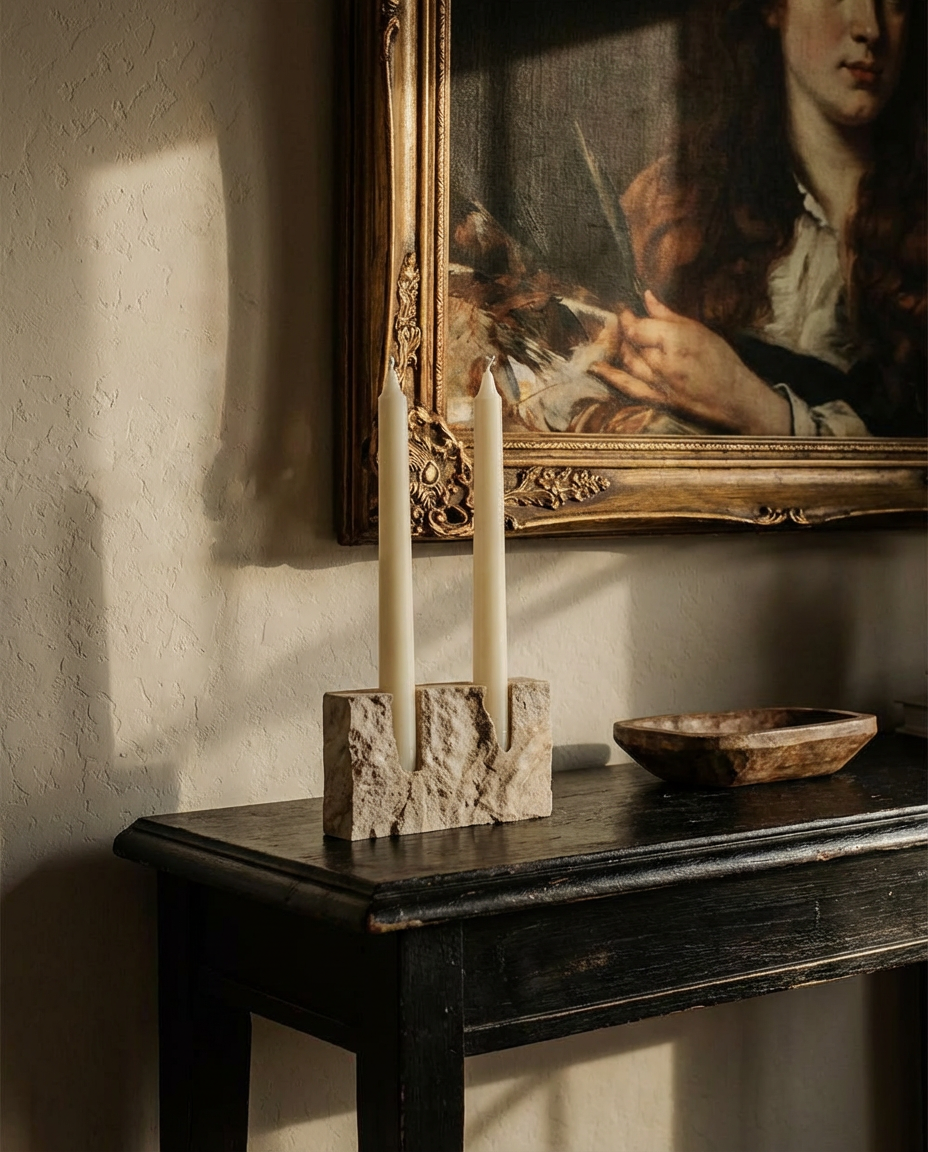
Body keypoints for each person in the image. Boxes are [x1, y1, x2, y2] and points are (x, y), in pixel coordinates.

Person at [588, 0, 926, 437]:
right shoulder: (671, 206)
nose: (869, 28)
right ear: (774, 8)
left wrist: (749, 402)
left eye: (895, 2)